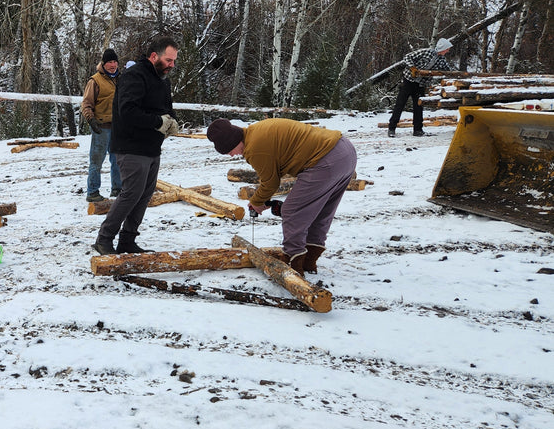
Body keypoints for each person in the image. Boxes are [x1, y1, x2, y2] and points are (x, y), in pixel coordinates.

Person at [206, 118, 357, 275]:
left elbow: (270, 183)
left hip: (325, 159)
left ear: (234, 141)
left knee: (292, 211)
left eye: (230, 150)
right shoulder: (256, 131)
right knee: (320, 211)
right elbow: (279, 165)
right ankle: (309, 261)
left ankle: (293, 264)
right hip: (345, 152)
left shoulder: (254, 148)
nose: (231, 155)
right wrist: (264, 201)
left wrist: (256, 201)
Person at [93, 37, 180, 255]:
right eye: (168, 60)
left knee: (144, 195)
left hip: (152, 148)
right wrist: (158, 122)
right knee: (130, 194)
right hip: (130, 147)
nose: (171, 65)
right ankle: (104, 239)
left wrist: (173, 121)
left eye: (173, 61)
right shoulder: (134, 76)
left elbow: (166, 108)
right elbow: (128, 111)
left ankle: (127, 240)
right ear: (154, 56)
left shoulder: (163, 80)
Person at [388, 38, 452, 137]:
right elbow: (407, 57)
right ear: (442, 48)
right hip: (408, 81)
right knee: (400, 105)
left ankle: (418, 130)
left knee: (418, 107)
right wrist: (412, 67)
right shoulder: (425, 52)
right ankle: (392, 128)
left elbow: (448, 71)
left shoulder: (442, 60)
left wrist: (452, 75)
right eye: (447, 49)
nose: (448, 51)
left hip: (421, 84)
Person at [82, 48, 122, 203]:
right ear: (103, 64)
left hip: (118, 126)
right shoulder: (95, 81)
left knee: (118, 160)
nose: (112, 65)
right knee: (96, 161)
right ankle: (92, 192)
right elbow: (86, 104)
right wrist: (91, 120)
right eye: (109, 62)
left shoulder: (120, 79)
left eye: (114, 62)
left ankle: (117, 189)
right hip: (101, 127)